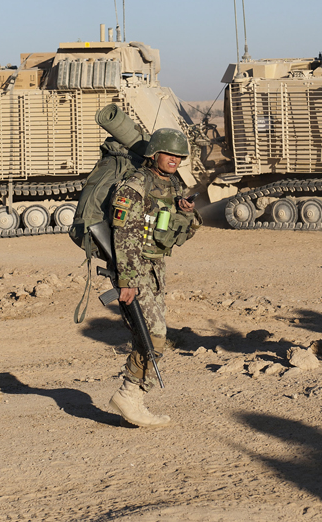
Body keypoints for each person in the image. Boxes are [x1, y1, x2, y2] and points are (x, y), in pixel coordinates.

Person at [108, 128, 200, 428]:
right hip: (135, 270)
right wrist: (127, 280)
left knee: (145, 337)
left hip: (155, 269)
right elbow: (123, 236)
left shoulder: (171, 185)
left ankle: (133, 399)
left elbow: (178, 233)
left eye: (179, 156)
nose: (174, 159)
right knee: (155, 336)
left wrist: (186, 212)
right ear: (154, 154)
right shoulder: (134, 186)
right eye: (169, 154)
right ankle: (129, 394)